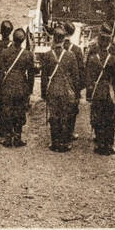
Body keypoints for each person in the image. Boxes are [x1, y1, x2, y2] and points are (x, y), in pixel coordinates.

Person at [40, 23, 84, 152]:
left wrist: (44, 93)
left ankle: (55, 142)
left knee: (54, 116)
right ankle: (64, 143)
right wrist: (76, 93)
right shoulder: (70, 55)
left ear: (54, 38)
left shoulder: (47, 55)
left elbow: (44, 77)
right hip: (66, 89)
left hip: (53, 89)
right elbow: (76, 76)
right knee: (65, 115)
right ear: (64, 38)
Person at [85, 26, 115, 155]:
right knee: (110, 118)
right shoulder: (114, 57)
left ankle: (99, 143)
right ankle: (108, 145)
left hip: (97, 90)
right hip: (110, 91)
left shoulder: (92, 54)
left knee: (97, 116)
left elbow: (88, 75)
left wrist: (89, 93)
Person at [0, 27, 35, 147]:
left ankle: (7, 138)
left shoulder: (4, 53)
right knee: (20, 111)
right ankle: (17, 137)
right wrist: (29, 90)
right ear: (22, 41)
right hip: (22, 86)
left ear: (13, 38)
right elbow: (31, 74)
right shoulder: (27, 55)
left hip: (7, 86)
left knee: (7, 110)